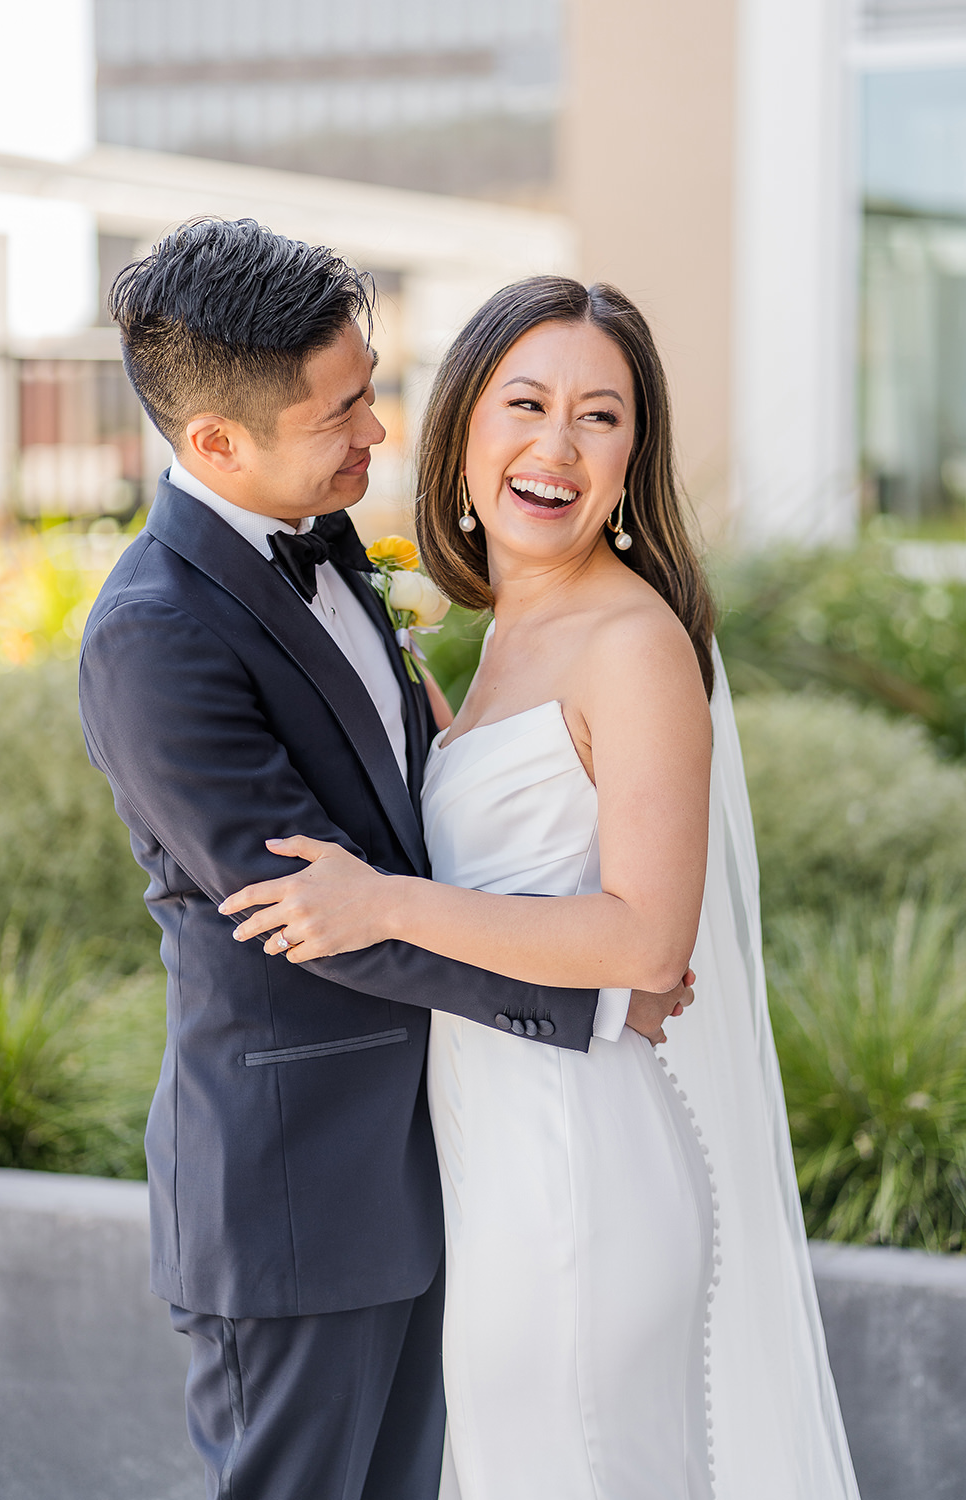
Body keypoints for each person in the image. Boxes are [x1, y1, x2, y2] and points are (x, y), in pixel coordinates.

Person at [79, 224, 692, 1500]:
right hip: (298, 1192)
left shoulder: (336, 551)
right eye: (342, 411)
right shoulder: (156, 638)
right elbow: (319, 911)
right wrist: (593, 983)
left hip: (450, 1161)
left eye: (372, 384)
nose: (379, 432)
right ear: (217, 447)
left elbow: (419, 819)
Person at [224, 278, 863, 1500]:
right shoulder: (517, 627)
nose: (555, 446)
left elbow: (644, 936)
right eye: (525, 402)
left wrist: (387, 904)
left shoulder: (633, 643)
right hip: (500, 1162)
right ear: (466, 424)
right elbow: (527, 833)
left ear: (634, 458)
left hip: (579, 1174)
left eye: (599, 417)